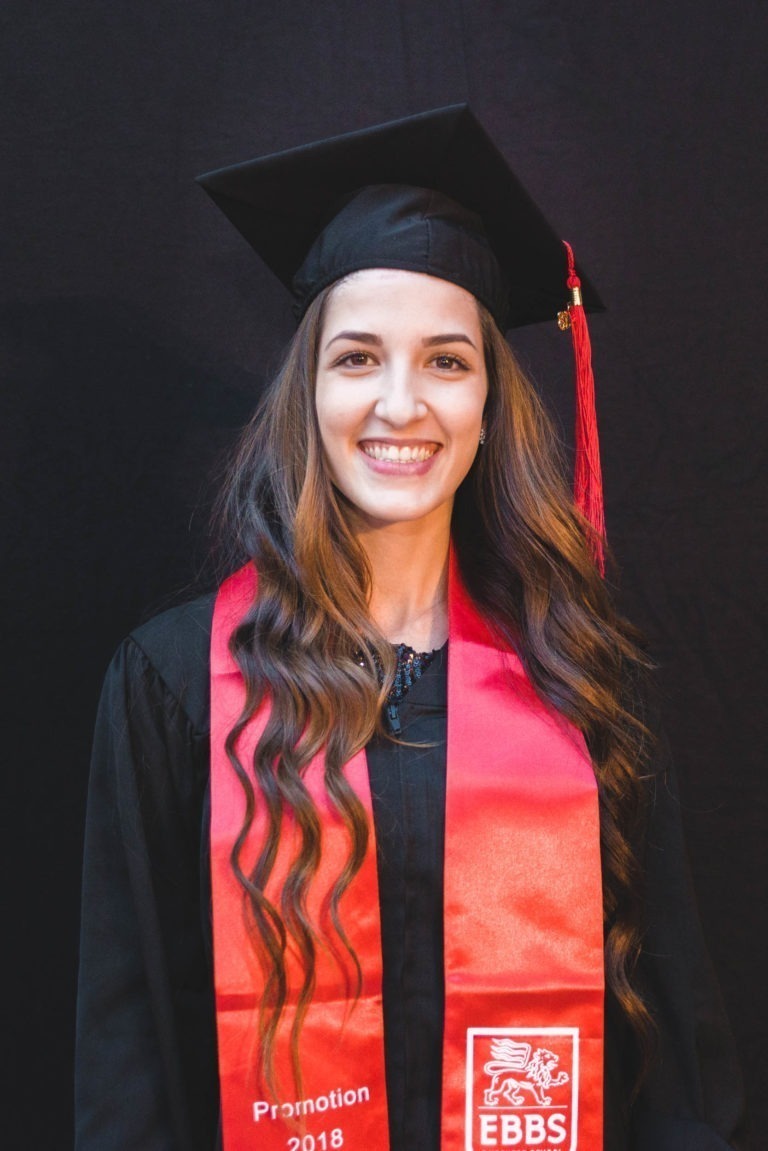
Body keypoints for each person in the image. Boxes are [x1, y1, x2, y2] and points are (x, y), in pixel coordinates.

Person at [75, 106, 748, 1151]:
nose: (401, 403)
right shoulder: (175, 683)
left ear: (489, 403)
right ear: (308, 390)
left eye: (446, 360)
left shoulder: (581, 674)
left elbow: (677, 1049)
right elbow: (130, 1058)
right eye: (356, 358)